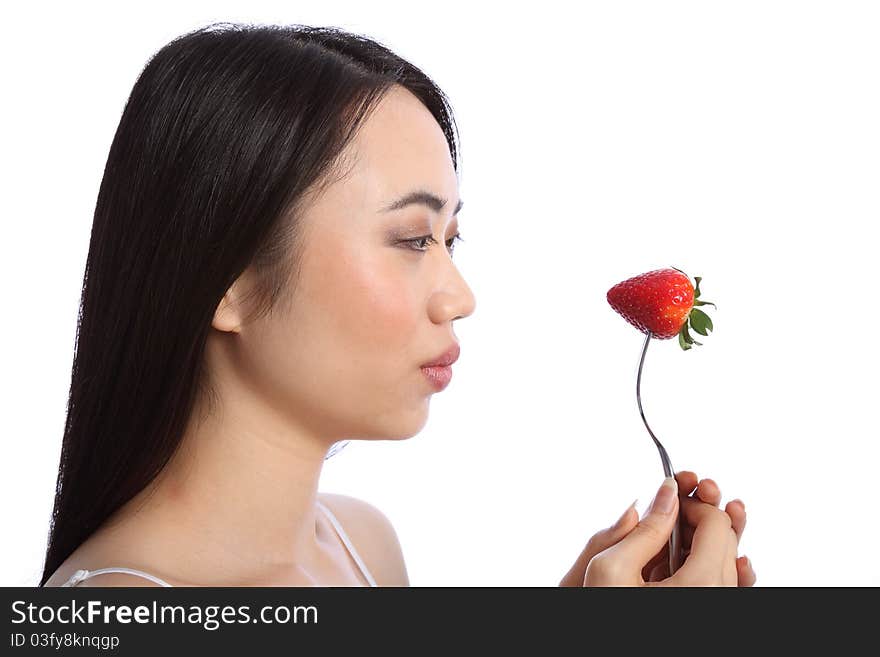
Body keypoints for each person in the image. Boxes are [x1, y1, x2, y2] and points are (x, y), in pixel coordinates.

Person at [41, 22, 755, 588]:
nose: (461, 296)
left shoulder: (363, 547)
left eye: (452, 237)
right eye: (413, 238)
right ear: (228, 277)